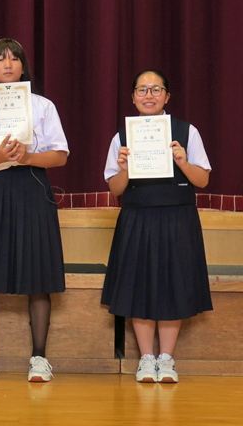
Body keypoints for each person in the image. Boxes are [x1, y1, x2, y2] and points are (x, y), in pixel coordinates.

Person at [0, 38, 69, 382]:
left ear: (23, 66)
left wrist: (29, 157)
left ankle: (39, 358)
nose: (8, 64)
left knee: (38, 277)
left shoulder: (42, 106)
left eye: (14, 58)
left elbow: (61, 155)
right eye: (0, 59)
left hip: (33, 187)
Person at [101, 70, 213, 383]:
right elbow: (116, 189)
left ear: (166, 96)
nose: (149, 96)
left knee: (172, 284)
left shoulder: (187, 132)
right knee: (140, 285)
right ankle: (146, 359)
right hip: (138, 218)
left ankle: (166, 359)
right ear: (133, 97)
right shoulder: (121, 136)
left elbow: (202, 180)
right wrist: (123, 167)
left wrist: (183, 162)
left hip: (178, 217)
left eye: (156, 89)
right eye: (142, 90)